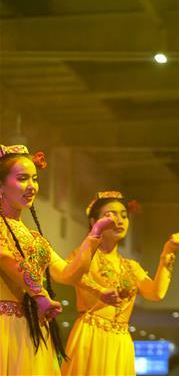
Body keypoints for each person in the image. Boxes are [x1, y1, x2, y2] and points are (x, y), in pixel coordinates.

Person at [0, 145, 116, 375]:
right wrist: (40, 296)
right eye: (22, 179)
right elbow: (6, 259)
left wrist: (94, 236)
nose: (32, 186)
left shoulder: (35, 238)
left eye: (34, 179)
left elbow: (67, 273)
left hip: (30, 328)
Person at [61, 191, 179, 376]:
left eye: (124, 215)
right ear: (94, 222)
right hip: (91, 336)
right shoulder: (83, 257)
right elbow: (69, 275)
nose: (119, 220)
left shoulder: (131, 266)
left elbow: (156, 293)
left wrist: (168, 253)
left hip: (121, 341)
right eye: (110, 214)